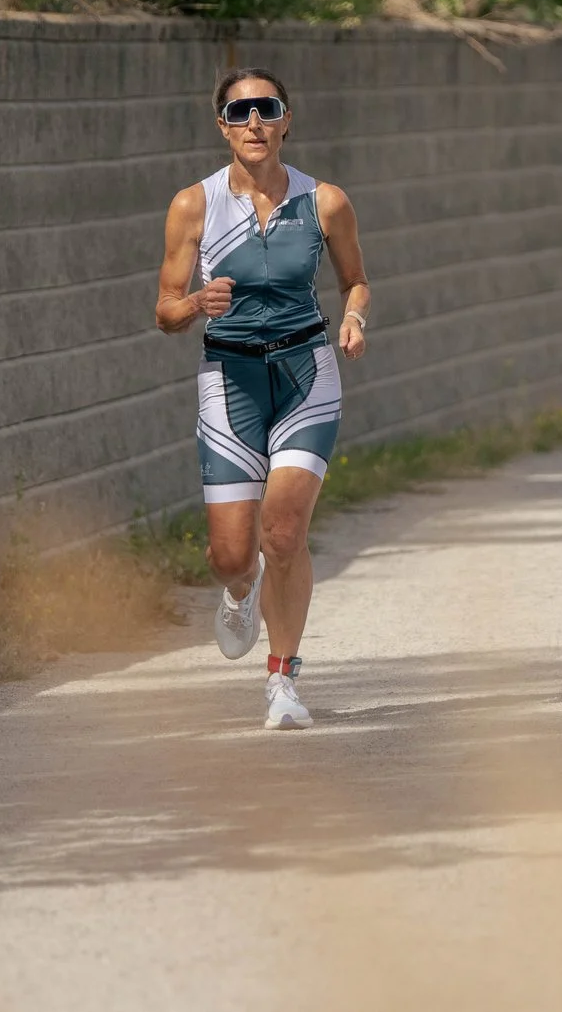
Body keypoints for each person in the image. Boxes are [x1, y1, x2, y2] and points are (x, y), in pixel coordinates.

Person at [154, 68, 371, 731]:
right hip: (230, 379)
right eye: (239, 111)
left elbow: (356, 280)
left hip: (306, 372)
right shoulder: (194, 205)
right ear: (222, 126)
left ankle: (283, 679)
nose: (253, 121)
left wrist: (354, 317)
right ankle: (240, 589)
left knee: (283, 531)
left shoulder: (325, 200)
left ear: (286, 120)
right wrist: (197, 302)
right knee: (230, 555)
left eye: (266, 108)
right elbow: (164, 309)